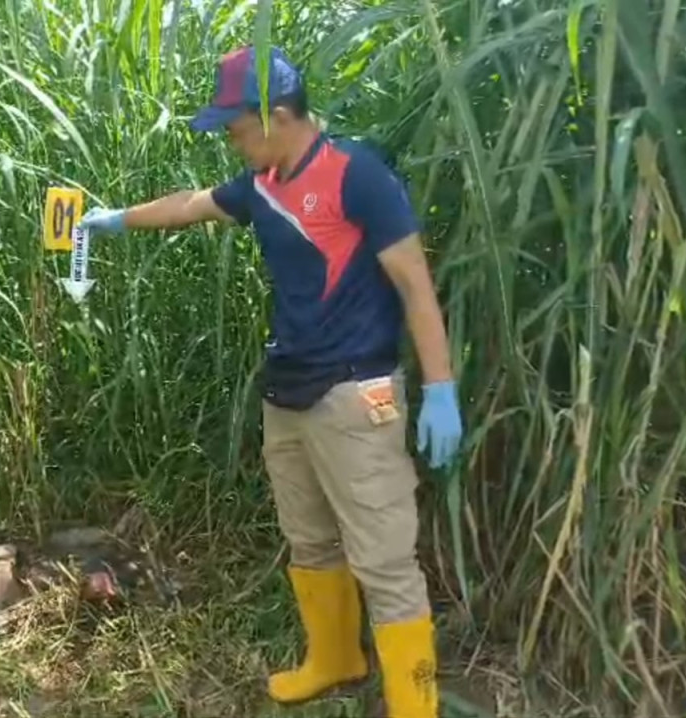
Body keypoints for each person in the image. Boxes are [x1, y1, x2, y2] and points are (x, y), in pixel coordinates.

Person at [78, 46, 463, 718]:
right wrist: (114, 218)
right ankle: (335, 659)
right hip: (288, 393)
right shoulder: (263, 183)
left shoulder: (357, 175)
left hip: (355, 393)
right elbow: (193, 205)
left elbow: (415, 286)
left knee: (385, 561)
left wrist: (440, 390)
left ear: (278, 115)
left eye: (235, 127)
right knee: (309, 540)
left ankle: (415, 706)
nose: (230, 139)